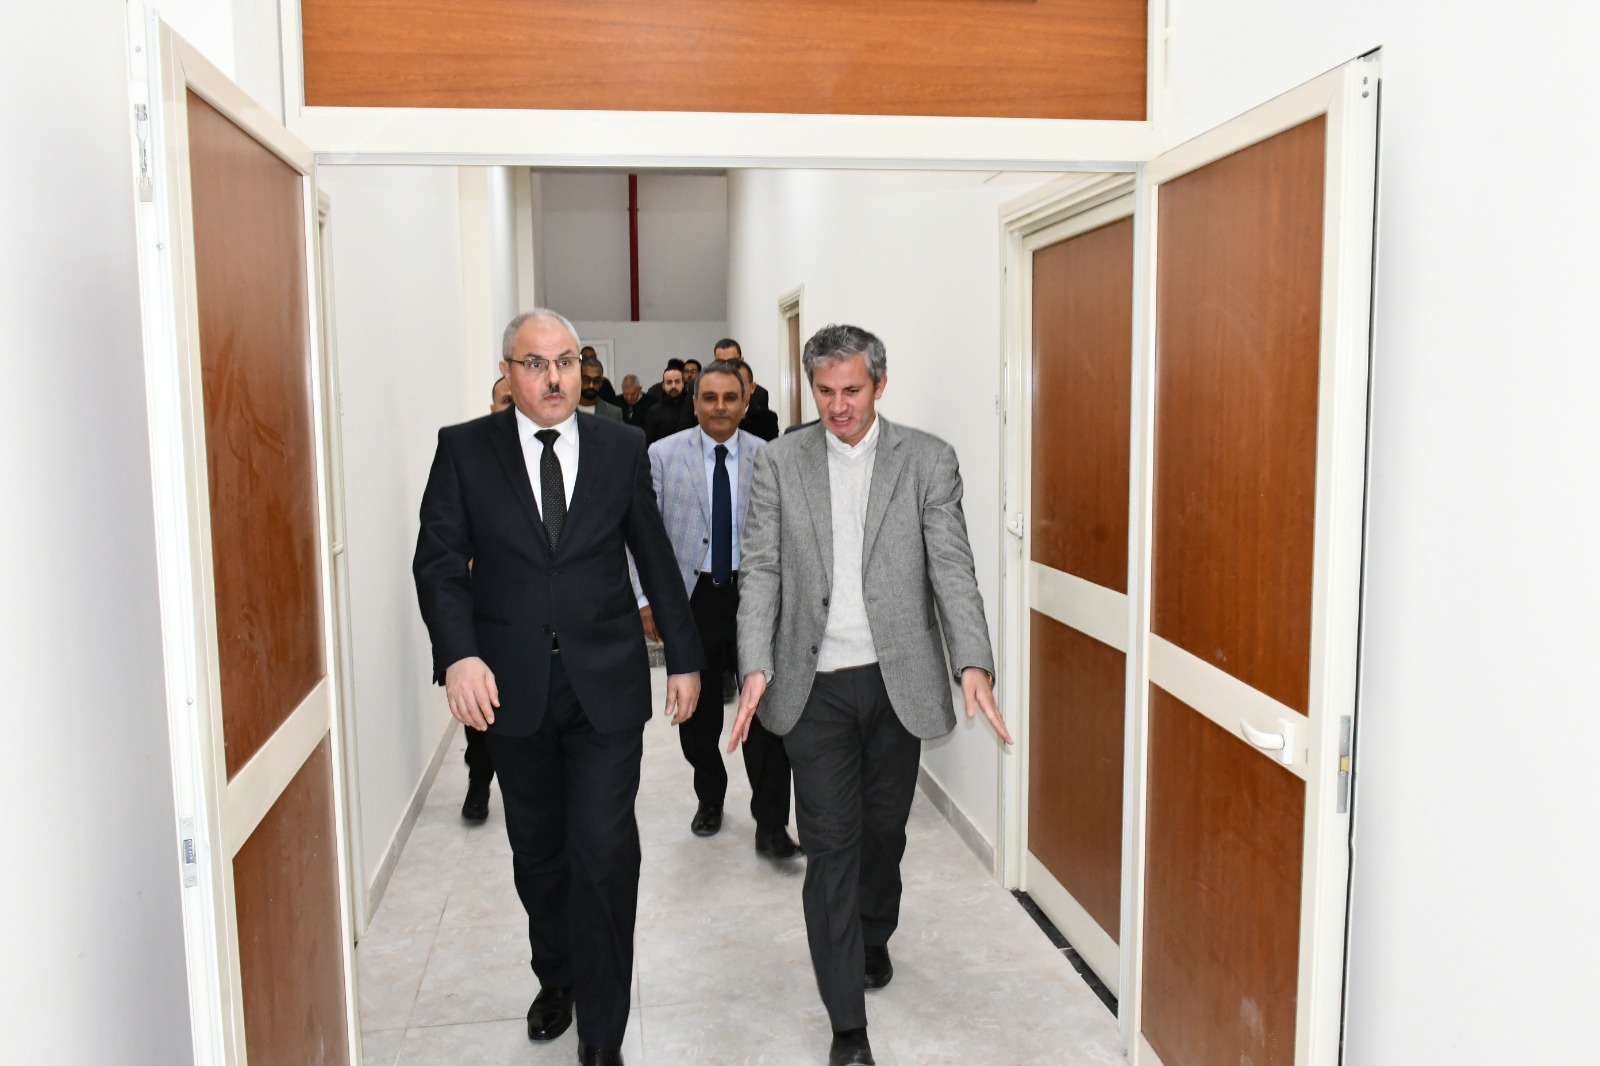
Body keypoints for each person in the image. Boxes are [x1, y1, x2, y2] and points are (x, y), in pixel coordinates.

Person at [414, 309, 703, 1066]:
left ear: (582, 367)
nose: (554, 378)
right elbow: (438, 563)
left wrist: (684, 656)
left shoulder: (620, 446)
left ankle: (602, 1033)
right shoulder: (465, 450)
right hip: (511, 688)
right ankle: (558, 977)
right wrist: (459, 655)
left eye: (566, 362)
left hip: (604, 684)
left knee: (604, 852)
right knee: (539, 853)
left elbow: (654, 553)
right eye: (536, 364)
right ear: (508, 373)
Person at [730, 324, 1011, 1066]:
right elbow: (761, 569)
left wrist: (972, 662)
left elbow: (952, 568)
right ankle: (847, 1028)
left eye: (852, 390)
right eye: (824, 391)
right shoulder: (780, 462)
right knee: (831, 847)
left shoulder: (926, 460)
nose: (838, 406)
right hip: (813, 685)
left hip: (896, 681)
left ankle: (874, 931)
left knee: (883, 831)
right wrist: (754, 663)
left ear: (879, 385)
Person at [637, 360, 800, 856]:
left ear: (746, 404)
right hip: (691, 599)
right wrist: (645, 599)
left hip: (754, 597)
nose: (720, 407)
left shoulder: (769, 457)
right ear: (694, 403)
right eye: (709, 397)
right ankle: (709, 797)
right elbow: (642, 535)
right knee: (697, 713)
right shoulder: (662, 455)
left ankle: (771, 825)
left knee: (766, 710)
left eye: (731, 397)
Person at [459, 375, 517, 823]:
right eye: (505, 400)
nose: (513, 407)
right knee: (482, 711)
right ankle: (479, 781)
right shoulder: (470, 460)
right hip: (485, 613)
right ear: (492, 406)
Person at [713, 337, 772, 417]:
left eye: (732, 361)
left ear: (741, 360)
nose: (726, 366)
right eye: (721, 362)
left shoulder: (759, 394)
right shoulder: (702, 390)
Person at [645, 364, 694, 445]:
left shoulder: (693, 408)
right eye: (669, 382)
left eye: (677, 382)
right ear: (663, 386)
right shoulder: (654, 411)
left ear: (683, 384)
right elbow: (650, 444)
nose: (673, 386)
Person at [733, 362, 779, 441]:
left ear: (752, 387)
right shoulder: (716, 416)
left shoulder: (768, 419)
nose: (735, 390)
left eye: (741, 384)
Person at [578, 356, 624, 420]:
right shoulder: (565, 409)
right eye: (586, 379)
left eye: (596, 381)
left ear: (601, 382)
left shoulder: (613, 413)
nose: (591, 385)